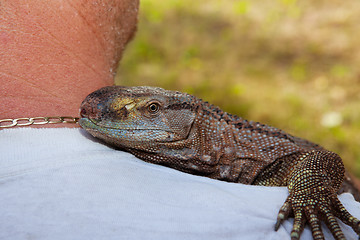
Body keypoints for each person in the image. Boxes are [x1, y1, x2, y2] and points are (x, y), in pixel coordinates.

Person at [0, 1, 359, 240]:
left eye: (151, 110)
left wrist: (310, 192)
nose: (125, 116)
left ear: (188, 121)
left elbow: (322, 160)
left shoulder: (253, 155)